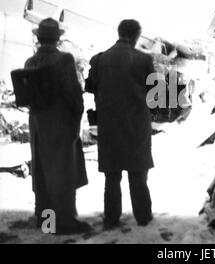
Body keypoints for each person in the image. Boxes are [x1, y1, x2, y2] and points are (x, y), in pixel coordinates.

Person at [85, 19, 155, 229]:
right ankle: (143, 217)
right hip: (137, 126)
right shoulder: (144, 59)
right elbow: (157, 96)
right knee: (137, 175)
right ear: (136, 36)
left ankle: (111, 219)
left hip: (110, 126)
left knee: (112, 176)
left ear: (119, 33)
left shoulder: (99, 59)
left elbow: (89, 87)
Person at [25, 18, 90, 234]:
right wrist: (78, 115)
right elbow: (73, 93)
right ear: (57, 38)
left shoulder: (30, 62)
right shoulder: (64, 60)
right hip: (61, 124)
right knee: (63, 172)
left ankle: (46, 222)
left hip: (38, 125)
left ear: (39, 38)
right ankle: (64, 221)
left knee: (43, 173)